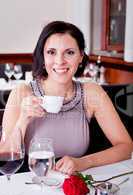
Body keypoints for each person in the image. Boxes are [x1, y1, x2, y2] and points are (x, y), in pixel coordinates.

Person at [2, 21, 133, 175]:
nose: (60, 61)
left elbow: (125, 147)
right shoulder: (21, 92)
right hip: (28, 184)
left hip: (73, 185)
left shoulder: (92, 93)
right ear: (42, 56)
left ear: (80, 56)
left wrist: (83, 162)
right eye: (51, 52)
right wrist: (23, 119)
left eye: (69, 52)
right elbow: (5, 157)